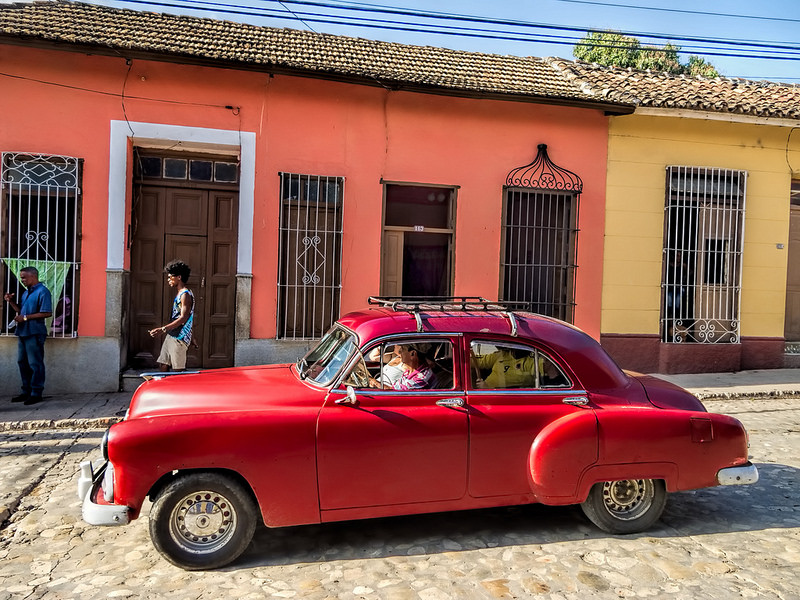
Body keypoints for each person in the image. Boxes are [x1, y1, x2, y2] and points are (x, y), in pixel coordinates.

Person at [4, 266, 53, 405]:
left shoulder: (43, 292)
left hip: (34, 332)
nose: (22, 280)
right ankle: (26, 391)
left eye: (24, 277)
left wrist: (25, 318)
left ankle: (36, 393)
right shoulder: (26, 293)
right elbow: (21, 310)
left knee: (35, 363)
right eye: (21, 277)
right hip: (23, 332)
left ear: (33, 276)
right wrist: (11, 302)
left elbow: (47, 313)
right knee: (22, 362)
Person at [148, 260, 194, 372]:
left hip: (179, 337)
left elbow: (184, 317)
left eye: (170, 277)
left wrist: (163, 329)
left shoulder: (185, 295)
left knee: (178, 370)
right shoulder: (180, 294)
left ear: (179, 277)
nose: (168, 280)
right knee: (163, 364)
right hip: (172, 335)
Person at [473, 346, 537, 389]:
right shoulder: (502, 355)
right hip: (484, 390)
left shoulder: (531, 362)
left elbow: (545, 367)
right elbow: (481, 361)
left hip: (498, 397)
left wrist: (486, 387)